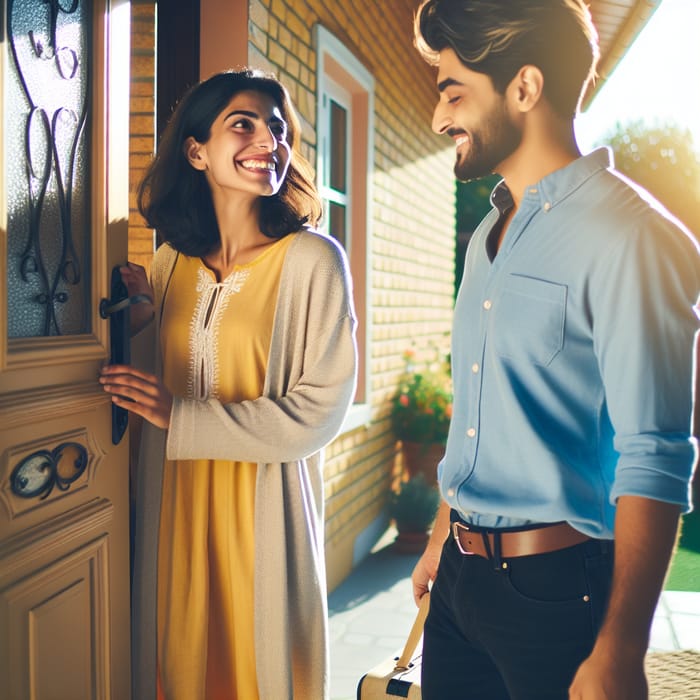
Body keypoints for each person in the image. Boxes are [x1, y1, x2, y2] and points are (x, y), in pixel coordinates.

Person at [410, 2, 700, 698]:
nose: (438, 120)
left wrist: (623, 648)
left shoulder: (634, 239)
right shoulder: (488, 237)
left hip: (557, 597)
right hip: (457, 582)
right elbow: (482, 408)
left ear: (525, 89)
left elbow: (655, 454)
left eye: (454, 93)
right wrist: (441, 532)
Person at [99, 68, 357, 700]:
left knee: (259, 670)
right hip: (176, 506)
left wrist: (181, 415)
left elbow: (319, 410)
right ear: (196, 150)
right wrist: (137, 322)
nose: (269, 140)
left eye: (278, 128)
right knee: (176, 669)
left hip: (260, 510)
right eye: (243, 124)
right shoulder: (170, 263)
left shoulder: (313, 261)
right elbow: (157, 374)